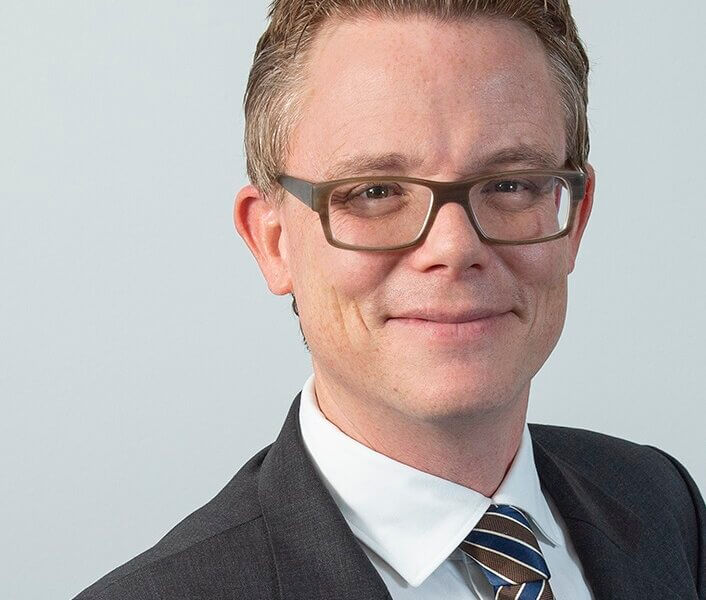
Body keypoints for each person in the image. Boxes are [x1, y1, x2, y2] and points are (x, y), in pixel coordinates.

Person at [74, 1, 705, 599]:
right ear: (272, 241)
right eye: (375, 192)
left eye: (511, 184)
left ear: (576, 220)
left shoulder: (661, 503)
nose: (454, 247)